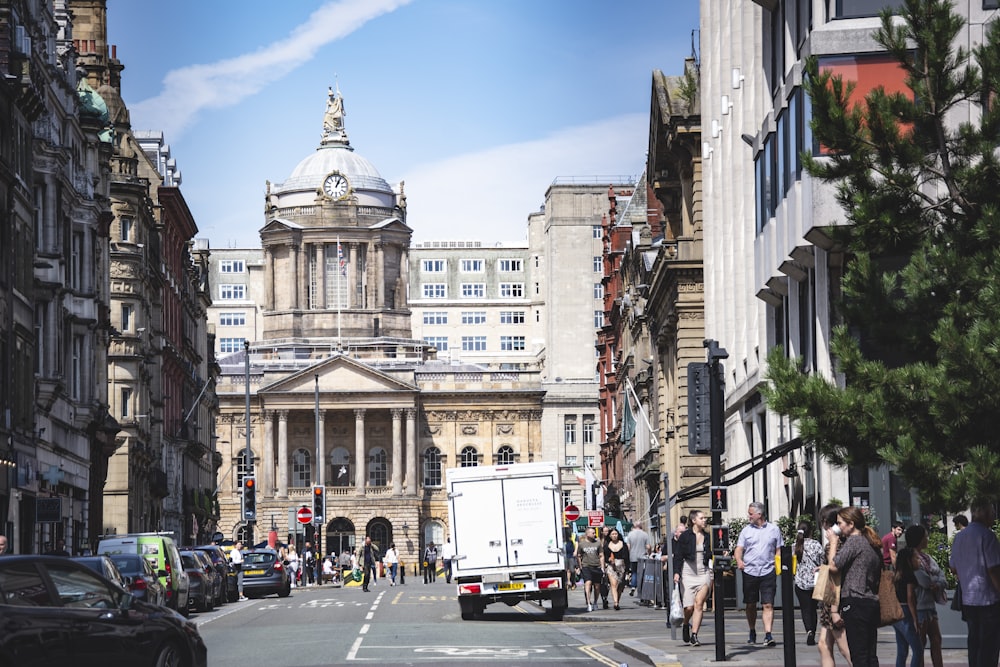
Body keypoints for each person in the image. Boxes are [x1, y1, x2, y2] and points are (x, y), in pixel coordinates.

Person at [827, 505, 883, 667]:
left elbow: (834, 566)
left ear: (851, 524)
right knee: (870, 654)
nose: (838, 527)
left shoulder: (855, 541)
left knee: (858, 654)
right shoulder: (870, 543)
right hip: (870, 602)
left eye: (840, 523)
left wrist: (833, 543)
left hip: (855, 601)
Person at [949, 502, 1000, 667]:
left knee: (974, 643)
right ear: (984, 513)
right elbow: (993, 570)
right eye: (992, 513)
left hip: (968, 599)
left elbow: (953, 567)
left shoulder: (960, 537)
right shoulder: (987, 536)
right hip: (988, 600)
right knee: (989, 647)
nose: (994, 517)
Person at [734, 501, 783, 646]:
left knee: (768, 604)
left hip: (768, 570)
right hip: (750, 571)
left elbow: (778, 549)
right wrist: (739, 561)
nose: (748, 516)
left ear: (759, 514)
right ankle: (752, 630)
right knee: (750, 604)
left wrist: (777, 564)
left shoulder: (774, 529)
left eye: (750, 514)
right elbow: (739, 549)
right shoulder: (746, 531)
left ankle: (768, 634)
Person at [816, 503, 851, 667]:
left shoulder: (834, 544)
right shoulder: (837, 543)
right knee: (823, 645)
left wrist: (835, 610)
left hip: (834, 600)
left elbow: (835, 569)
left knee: (846, 650)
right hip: (829, 600)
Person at [673, 510, 713, 646]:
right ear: (694, 520)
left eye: (705, 518)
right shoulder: (685, 536)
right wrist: (677, 572)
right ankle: (685, 624)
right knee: (689, 607)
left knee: (699, 604)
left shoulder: (707, 536)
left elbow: (709, 553)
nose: (704, 520)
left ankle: (695, 635)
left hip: (703, 572)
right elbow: (678, 555)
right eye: (701, 518)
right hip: (688, 573)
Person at [907, 525, 945, 667]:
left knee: (936, 639)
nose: (927, 539)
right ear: (919, 539)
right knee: (920, 643)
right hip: (919, 606)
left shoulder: (927, 558)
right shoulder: (910, 557)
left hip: (930, 605)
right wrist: (934, 581)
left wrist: (938, 583)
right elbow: (923, 581)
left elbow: (942, 576)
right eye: (925, 536)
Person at [794, 520, 824, 646]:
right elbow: (823, 560)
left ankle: (809, 630)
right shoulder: (816, 544)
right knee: (813, 608)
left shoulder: (795, 545)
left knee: (805, 609)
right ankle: (813, 629)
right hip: (814, 581)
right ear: (811, 531)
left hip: (800, 582)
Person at [893, 547, 923, 667]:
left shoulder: (897, 576)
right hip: (906, 612)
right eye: (916, 558)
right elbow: (910, 597)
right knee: (918, 650)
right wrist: (915, 619)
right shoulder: (909, 576)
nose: (919, 560)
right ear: (909, 560)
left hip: (896, 612)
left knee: (902, 650)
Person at [602, 527, 629, 611]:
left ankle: (618, 600)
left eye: (616, 534)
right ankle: (615, 602)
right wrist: (608, 560)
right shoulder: (607, 545)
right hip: (611, 566)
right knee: (613, 584)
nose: (614, 536)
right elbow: (604, 556)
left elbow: (627, 557)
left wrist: (628, 569)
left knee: (620, 586)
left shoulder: (623, 544)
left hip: (621, 566)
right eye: (612, 534)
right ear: (609, 536)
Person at [576, 526, 603, 612]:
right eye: (593, 533)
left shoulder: (598, 543)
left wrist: (602, 566)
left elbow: (601, 555)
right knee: (588, 583)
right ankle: (588, 603)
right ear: (587, 534)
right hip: (586, 566)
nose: (594, 534)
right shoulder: (582, 544)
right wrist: (580, 566)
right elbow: (579, 556)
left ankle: (595, 602)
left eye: (594, 533)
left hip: (597, 566)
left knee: (597, 586)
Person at [626, 522, 651, 596]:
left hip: (633, 557)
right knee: (643, 573)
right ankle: (642, 589)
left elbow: (628, 546)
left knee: (634, 572)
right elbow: (648, 546)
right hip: (642, 557)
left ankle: (633, 586)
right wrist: (649, 553)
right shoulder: (645, 534)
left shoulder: (630, 534)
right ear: (641, 526)